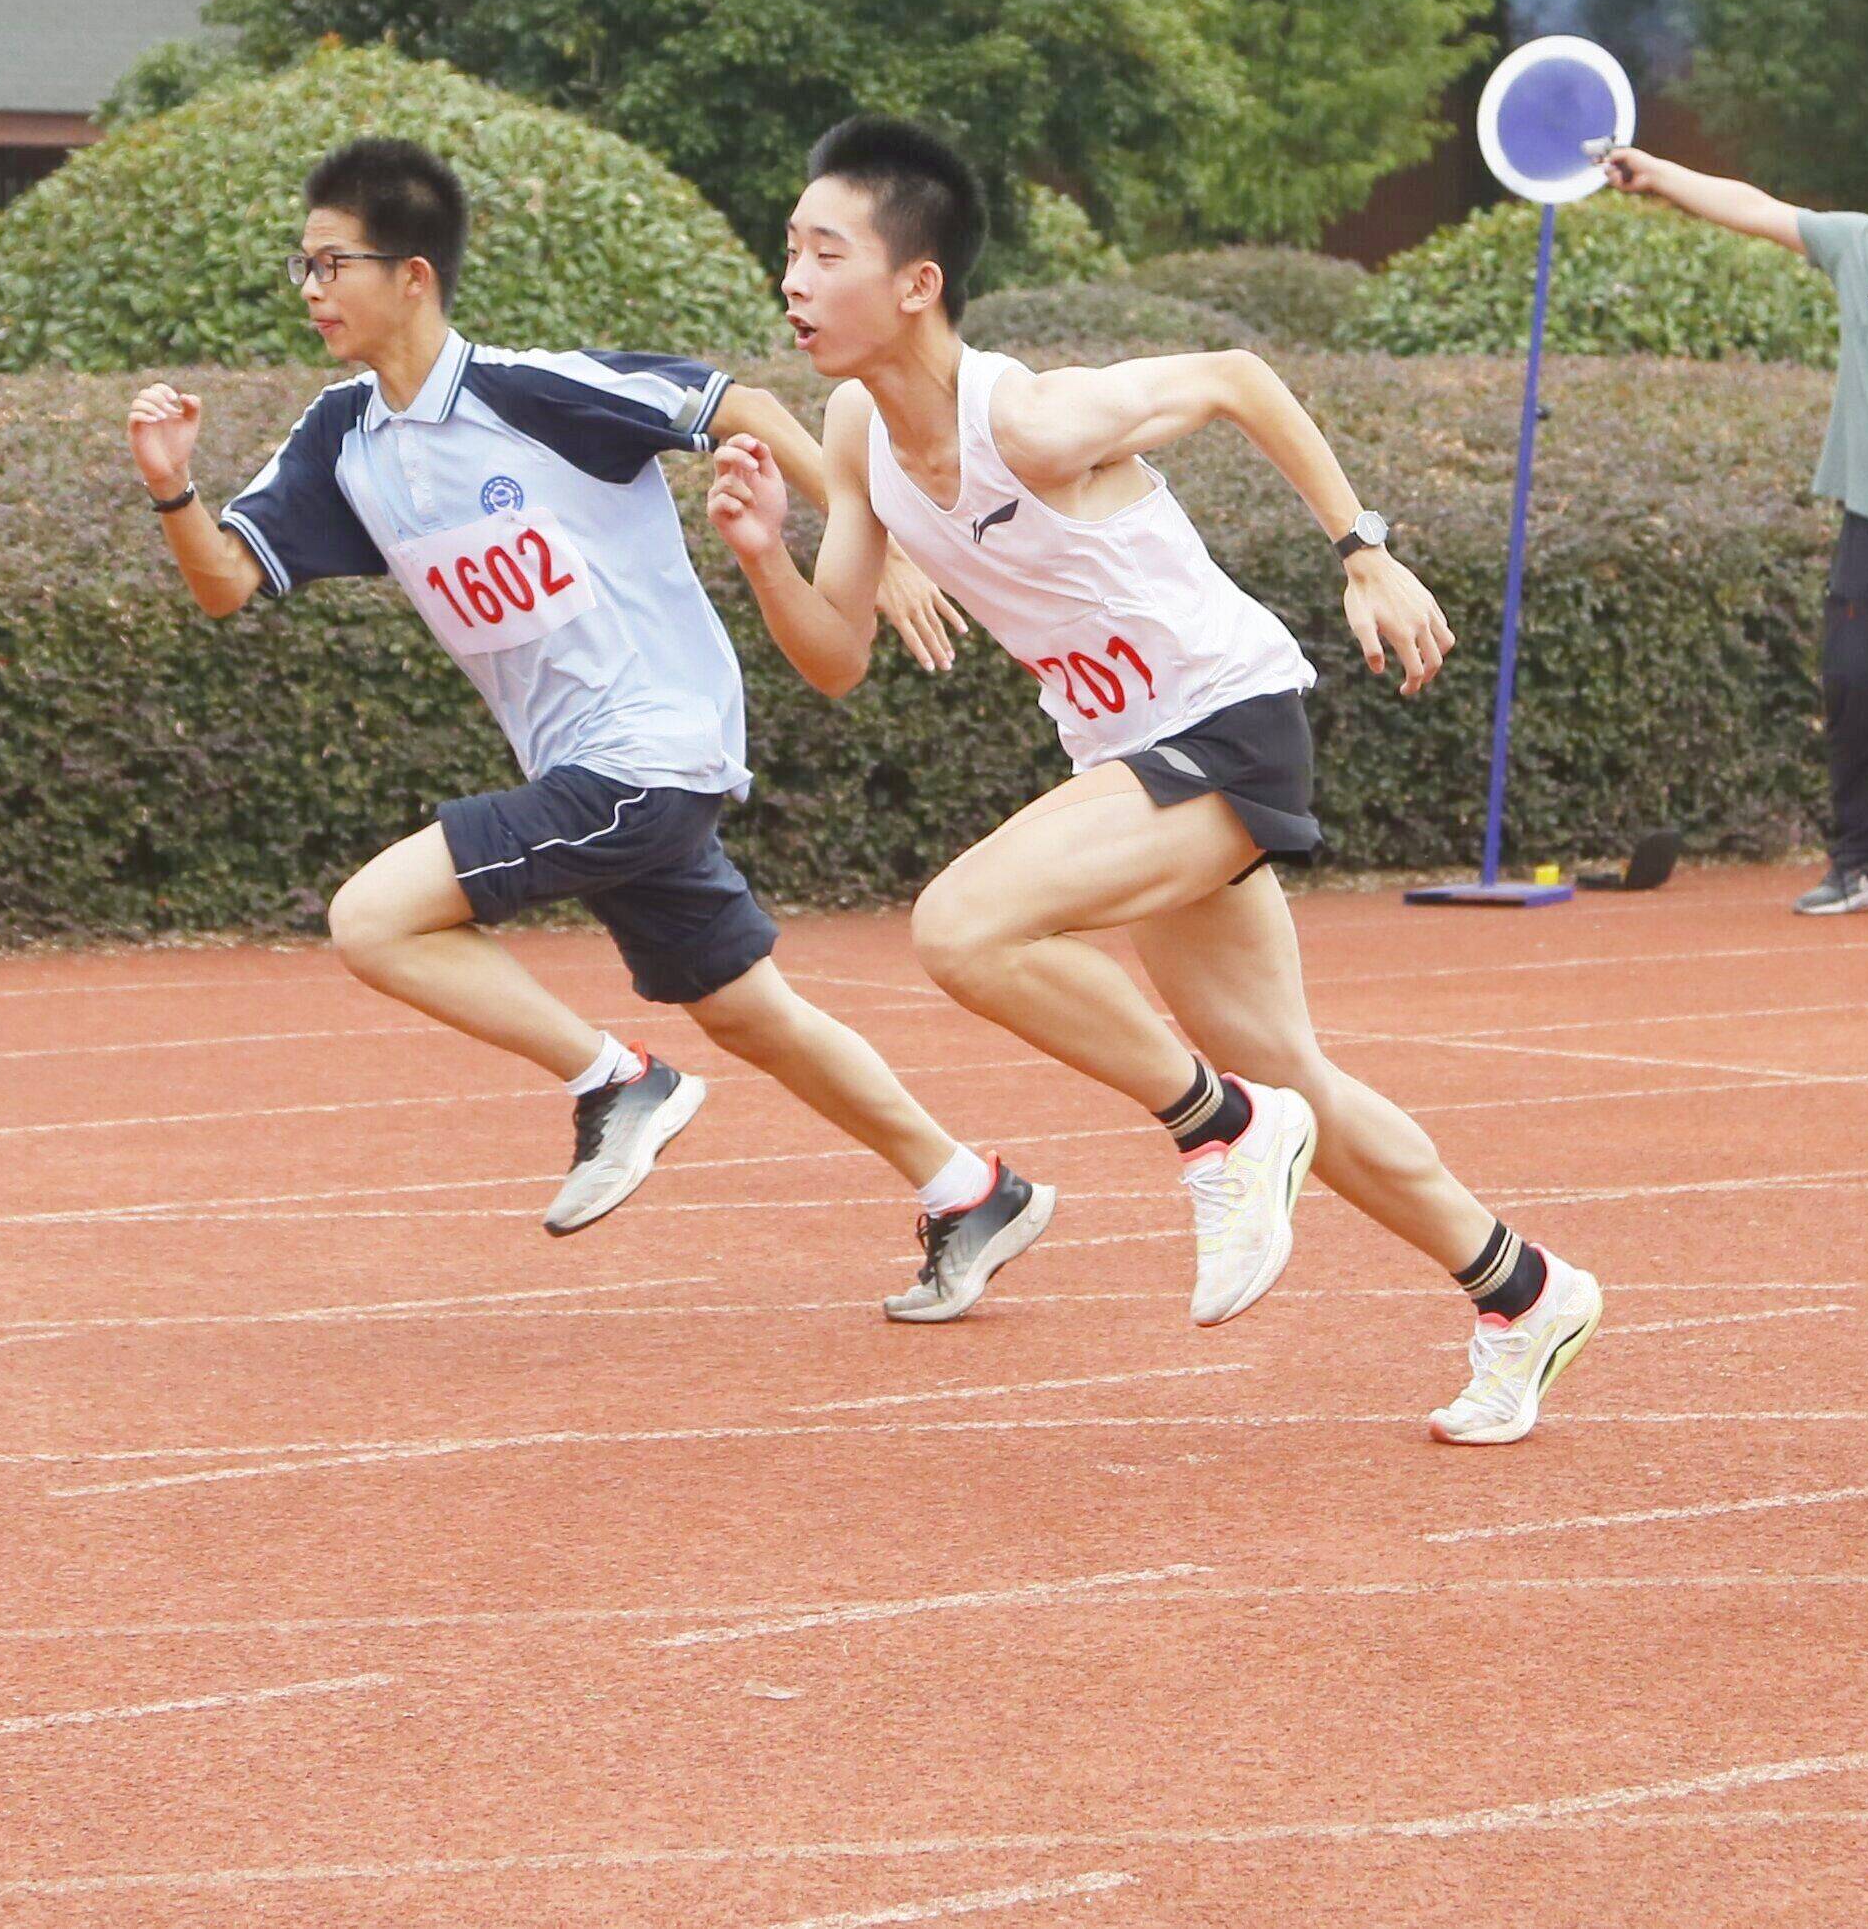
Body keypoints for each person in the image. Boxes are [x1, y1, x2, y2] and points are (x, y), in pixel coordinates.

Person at [704, 115, 1604, 1444]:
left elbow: (1238, 373)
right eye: (788, 249)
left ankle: (1217, 1127)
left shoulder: (1026, 414)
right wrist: (765, 558)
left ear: (914, 282)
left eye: (822, 251)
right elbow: (835, 657)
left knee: (963, 925)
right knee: (1298, 1074)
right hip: (1136, 757)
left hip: (1227, 724)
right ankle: (1522, 1289)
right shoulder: (854, 427)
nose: (792, 278)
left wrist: (1361, 548)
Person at [124, 137, 1052, 1325]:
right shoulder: (340, 440)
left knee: (372, 917)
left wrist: (873, 534)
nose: (308, 288)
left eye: (329, 263)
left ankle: (620, 1079)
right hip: (594, 774)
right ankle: (970, 1187)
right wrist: (170, 484)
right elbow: (226, 584)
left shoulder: (531, 390)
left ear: (412, 275)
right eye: (298, 266)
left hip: (648, 748)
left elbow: (741, 405)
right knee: (748, 1011)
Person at [1602, 115, 1868, 914]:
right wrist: (1656, 172)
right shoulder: (1857, 246)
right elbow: (1753, 206)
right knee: (1852, 687)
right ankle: (1862, 864)